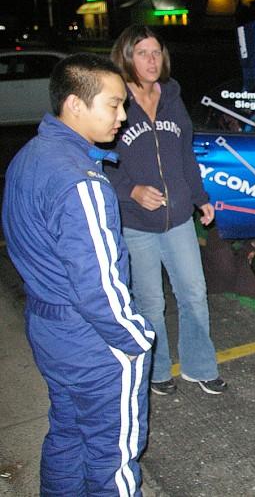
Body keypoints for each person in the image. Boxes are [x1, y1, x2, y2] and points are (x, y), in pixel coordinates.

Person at [2, 53, 154, 495]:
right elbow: (99, 287)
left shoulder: (30, 157)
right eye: (113, 105)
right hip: (92, 341)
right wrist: (136, 340)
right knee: (114, 461)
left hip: (49, 329)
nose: (122, 117)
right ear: (74, 104)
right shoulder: (81, 182)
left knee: (68, 434)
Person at [105, 25, 227, 396]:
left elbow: (184, 155)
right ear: (127, 57)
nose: (151, 60)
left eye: (156, 52)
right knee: (151, 303)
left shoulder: (172, 96)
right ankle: (156, 372)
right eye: (142, 53)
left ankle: (199, 366)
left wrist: (200, 197)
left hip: (178, 219)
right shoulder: (115, 101)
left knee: (193, 292)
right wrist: (132, 191)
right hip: (136, 223)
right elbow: (100, 162)